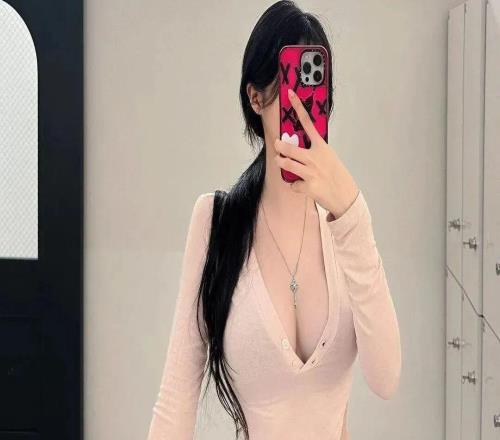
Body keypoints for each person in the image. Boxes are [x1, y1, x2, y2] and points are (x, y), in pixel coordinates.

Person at [147, 1, 401, 439]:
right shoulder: (216, 223)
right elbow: (176, 400)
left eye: (315, 85)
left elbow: (386, 378)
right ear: (256, 97)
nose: (303, 103)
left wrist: (351, 212)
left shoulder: (345, 228)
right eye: (291, 83)